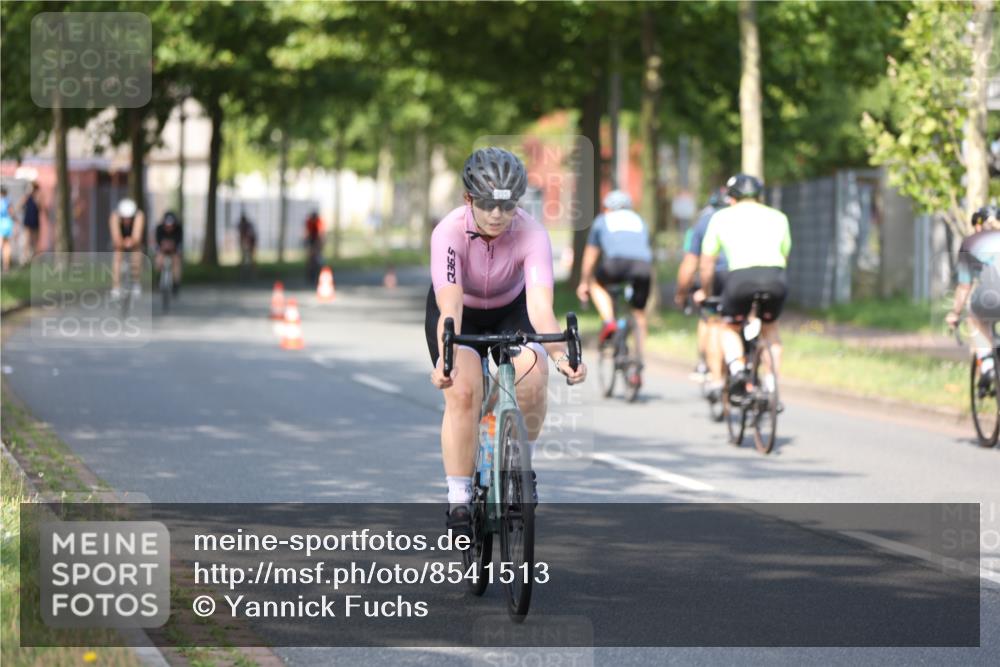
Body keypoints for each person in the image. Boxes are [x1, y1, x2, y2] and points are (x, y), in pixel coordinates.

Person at [426, 147, 587, 534]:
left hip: (511, 309)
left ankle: (521, 466)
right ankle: (459, 497)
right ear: (469, 199)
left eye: (507, 205)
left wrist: (561, 356)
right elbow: (450, 306)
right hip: (460, 312)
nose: (497, 215)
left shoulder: (532, 233)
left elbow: (540, 307)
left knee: (533, 377)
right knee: (464, 392)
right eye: (487, 205)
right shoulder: (448, 232)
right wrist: (445, 361)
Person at [694, 174, 791, 400]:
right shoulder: (779, 217)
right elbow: (785, 254)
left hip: (740, 278)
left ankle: (737, 369)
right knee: (771, 329)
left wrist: (707, 292)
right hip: (775, 276)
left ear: (732, 197)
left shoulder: (720, 217)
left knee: (729, 327)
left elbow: (707, 263)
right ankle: (771, 383)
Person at [576, 189, 653, 387]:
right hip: (643, 267)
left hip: (615, 264)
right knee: (639, 312)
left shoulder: (602, 220)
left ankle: (609, 320)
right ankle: (638, 358)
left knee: (595, 282)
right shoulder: (639, 221)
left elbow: (591, 256)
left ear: (608, 207)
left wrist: (584, 282)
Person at [675, 186, 729, 388]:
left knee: (710, 318)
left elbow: (690, 263)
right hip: (751, 275)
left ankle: (704, 365)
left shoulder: (702, 222)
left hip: (716, 276)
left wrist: (681, 293)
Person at [947, 206, 1000, 382]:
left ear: (978, 225)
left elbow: (964, 286)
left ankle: (987, 366)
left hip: (990, 295)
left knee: (974, 316)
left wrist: (955, 314)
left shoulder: (971, 242)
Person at [110, 197, 146, 299]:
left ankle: (136, 281)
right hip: (120, 242)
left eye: (129, 218)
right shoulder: (114, 216)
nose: (127, 220)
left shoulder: (139, 216)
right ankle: (116, 286)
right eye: (124, 218)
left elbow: (137, 235)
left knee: (137, 253)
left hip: (134, 241)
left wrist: (132, 241)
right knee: (117, 255)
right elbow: (115, 235)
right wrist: (121, 242)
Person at [154, 211, 183, 295]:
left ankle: (176, 283)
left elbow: (179, 244)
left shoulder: (178, 229)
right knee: (159, 260)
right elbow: (157, 243)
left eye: (171, 226)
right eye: (167, 226)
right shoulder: (159, 229)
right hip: (162, 250)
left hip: (174, 251)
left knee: (176, 262)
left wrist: (173, 247)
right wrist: (162, 247)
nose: (169, 228)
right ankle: (158, 277)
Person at [20, 182, 40, 260]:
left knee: (35, 240)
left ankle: (35, 257)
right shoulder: (27, 197)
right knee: (27, 240)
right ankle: (26, 257)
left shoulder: (38, 197)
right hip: (28, 220)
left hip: (35, 220)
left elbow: (41, 208)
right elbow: (20, 206)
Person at [305, 210, 324, 283]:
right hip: (310, 239)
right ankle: (310, 272)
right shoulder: (308, 221)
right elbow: (306, 233)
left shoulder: (319, 221)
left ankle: (319, 270)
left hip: (317, 239)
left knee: (317, 255)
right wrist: (308, 245)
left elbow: (320, 234)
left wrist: (319, 245)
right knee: (310, 257)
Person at [0, 186, 14, 271]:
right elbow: (11, 213)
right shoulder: (8, 201)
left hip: (1, 224)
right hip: (8, 224)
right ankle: (6, 266)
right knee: (7, 246)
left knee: (1, 244)